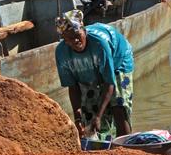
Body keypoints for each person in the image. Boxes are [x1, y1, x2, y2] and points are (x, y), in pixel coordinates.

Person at [55, 9, 134, 140]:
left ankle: (125, 145)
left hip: (118, 59)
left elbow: (109, 83)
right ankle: (101, 148)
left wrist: (99, 116)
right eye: (69, 38)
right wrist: (78, 116)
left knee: (118, 105)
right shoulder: (61, 53)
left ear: (84, 31)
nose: (75, 41)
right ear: (64, 40)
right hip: (92, 66)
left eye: (77, 35)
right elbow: (73, 87)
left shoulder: (99, 44)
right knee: (89, 111)